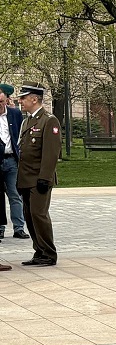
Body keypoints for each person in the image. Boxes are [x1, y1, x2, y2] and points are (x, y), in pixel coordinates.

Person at [15, 83, 64, 267]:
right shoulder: (27, 121)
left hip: (39, 179)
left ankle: (49, 253)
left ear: (34, 99)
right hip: (26, 178)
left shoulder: (49, 120)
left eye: (23, 98)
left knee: (39, 215)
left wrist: (45, 177)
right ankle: (39, 251)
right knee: (29, 215)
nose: (20, 101)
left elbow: (51, 153)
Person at [0, 83, 29, 242]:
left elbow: (20, 134)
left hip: (11, 160)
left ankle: (19, 228)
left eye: (1, 102)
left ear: (6, 101)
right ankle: (0, 228)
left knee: (15, 194)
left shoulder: (14, 114)